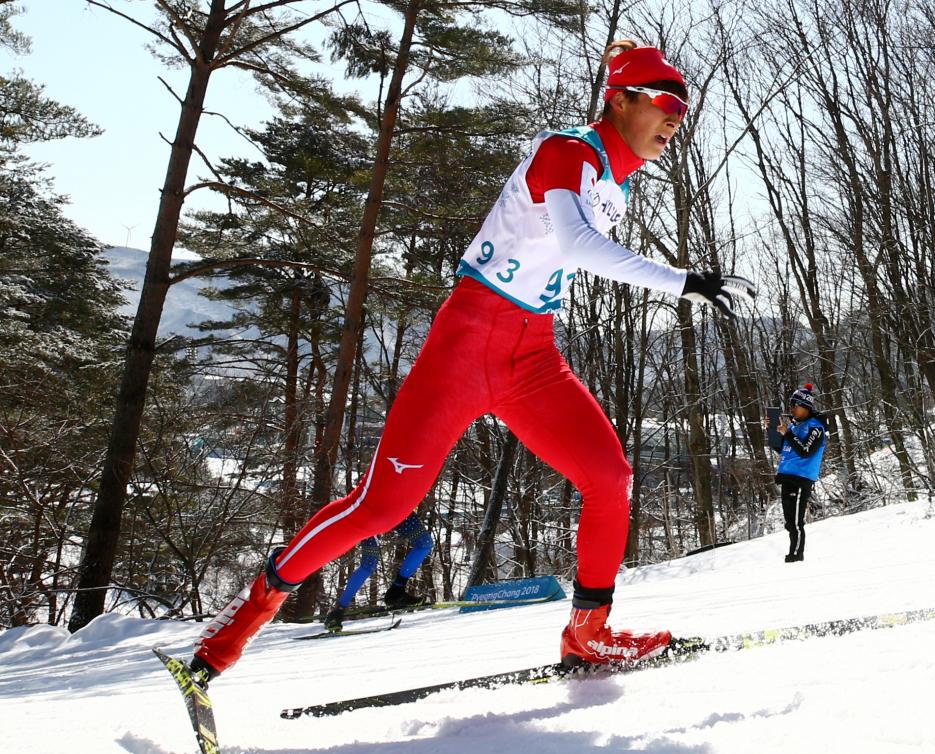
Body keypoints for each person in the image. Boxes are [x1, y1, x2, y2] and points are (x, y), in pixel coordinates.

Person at [187, 39, 754, 683]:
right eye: (663, 101)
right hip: (468, 342)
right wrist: (685, 281)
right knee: (382, 508)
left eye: (685, 106)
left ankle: (587, 635)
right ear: (618, 100)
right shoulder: (566, 151)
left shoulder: (612, 185)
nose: (676, 117)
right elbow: (577, 244)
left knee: (609, 476)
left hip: (531, 352)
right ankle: (227, 638)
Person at [322, 512, 433, 632]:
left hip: (398, 511)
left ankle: (396, 591)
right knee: (369, 564)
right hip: (372, 514)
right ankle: (337, 611)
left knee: (425, 543)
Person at [769, 384, 827, 562]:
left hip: (800, 479)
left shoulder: (816, 428)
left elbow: (805, 451)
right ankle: (793, 554)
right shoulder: (795, 427)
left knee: (796, 521)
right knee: (789, 522)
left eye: (795, 405)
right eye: (791, 405)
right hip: (787, 476)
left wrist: (788, 434)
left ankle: (796, 555)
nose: (792, 409)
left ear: (805, 406)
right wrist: (773, 431)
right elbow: (784, 449)